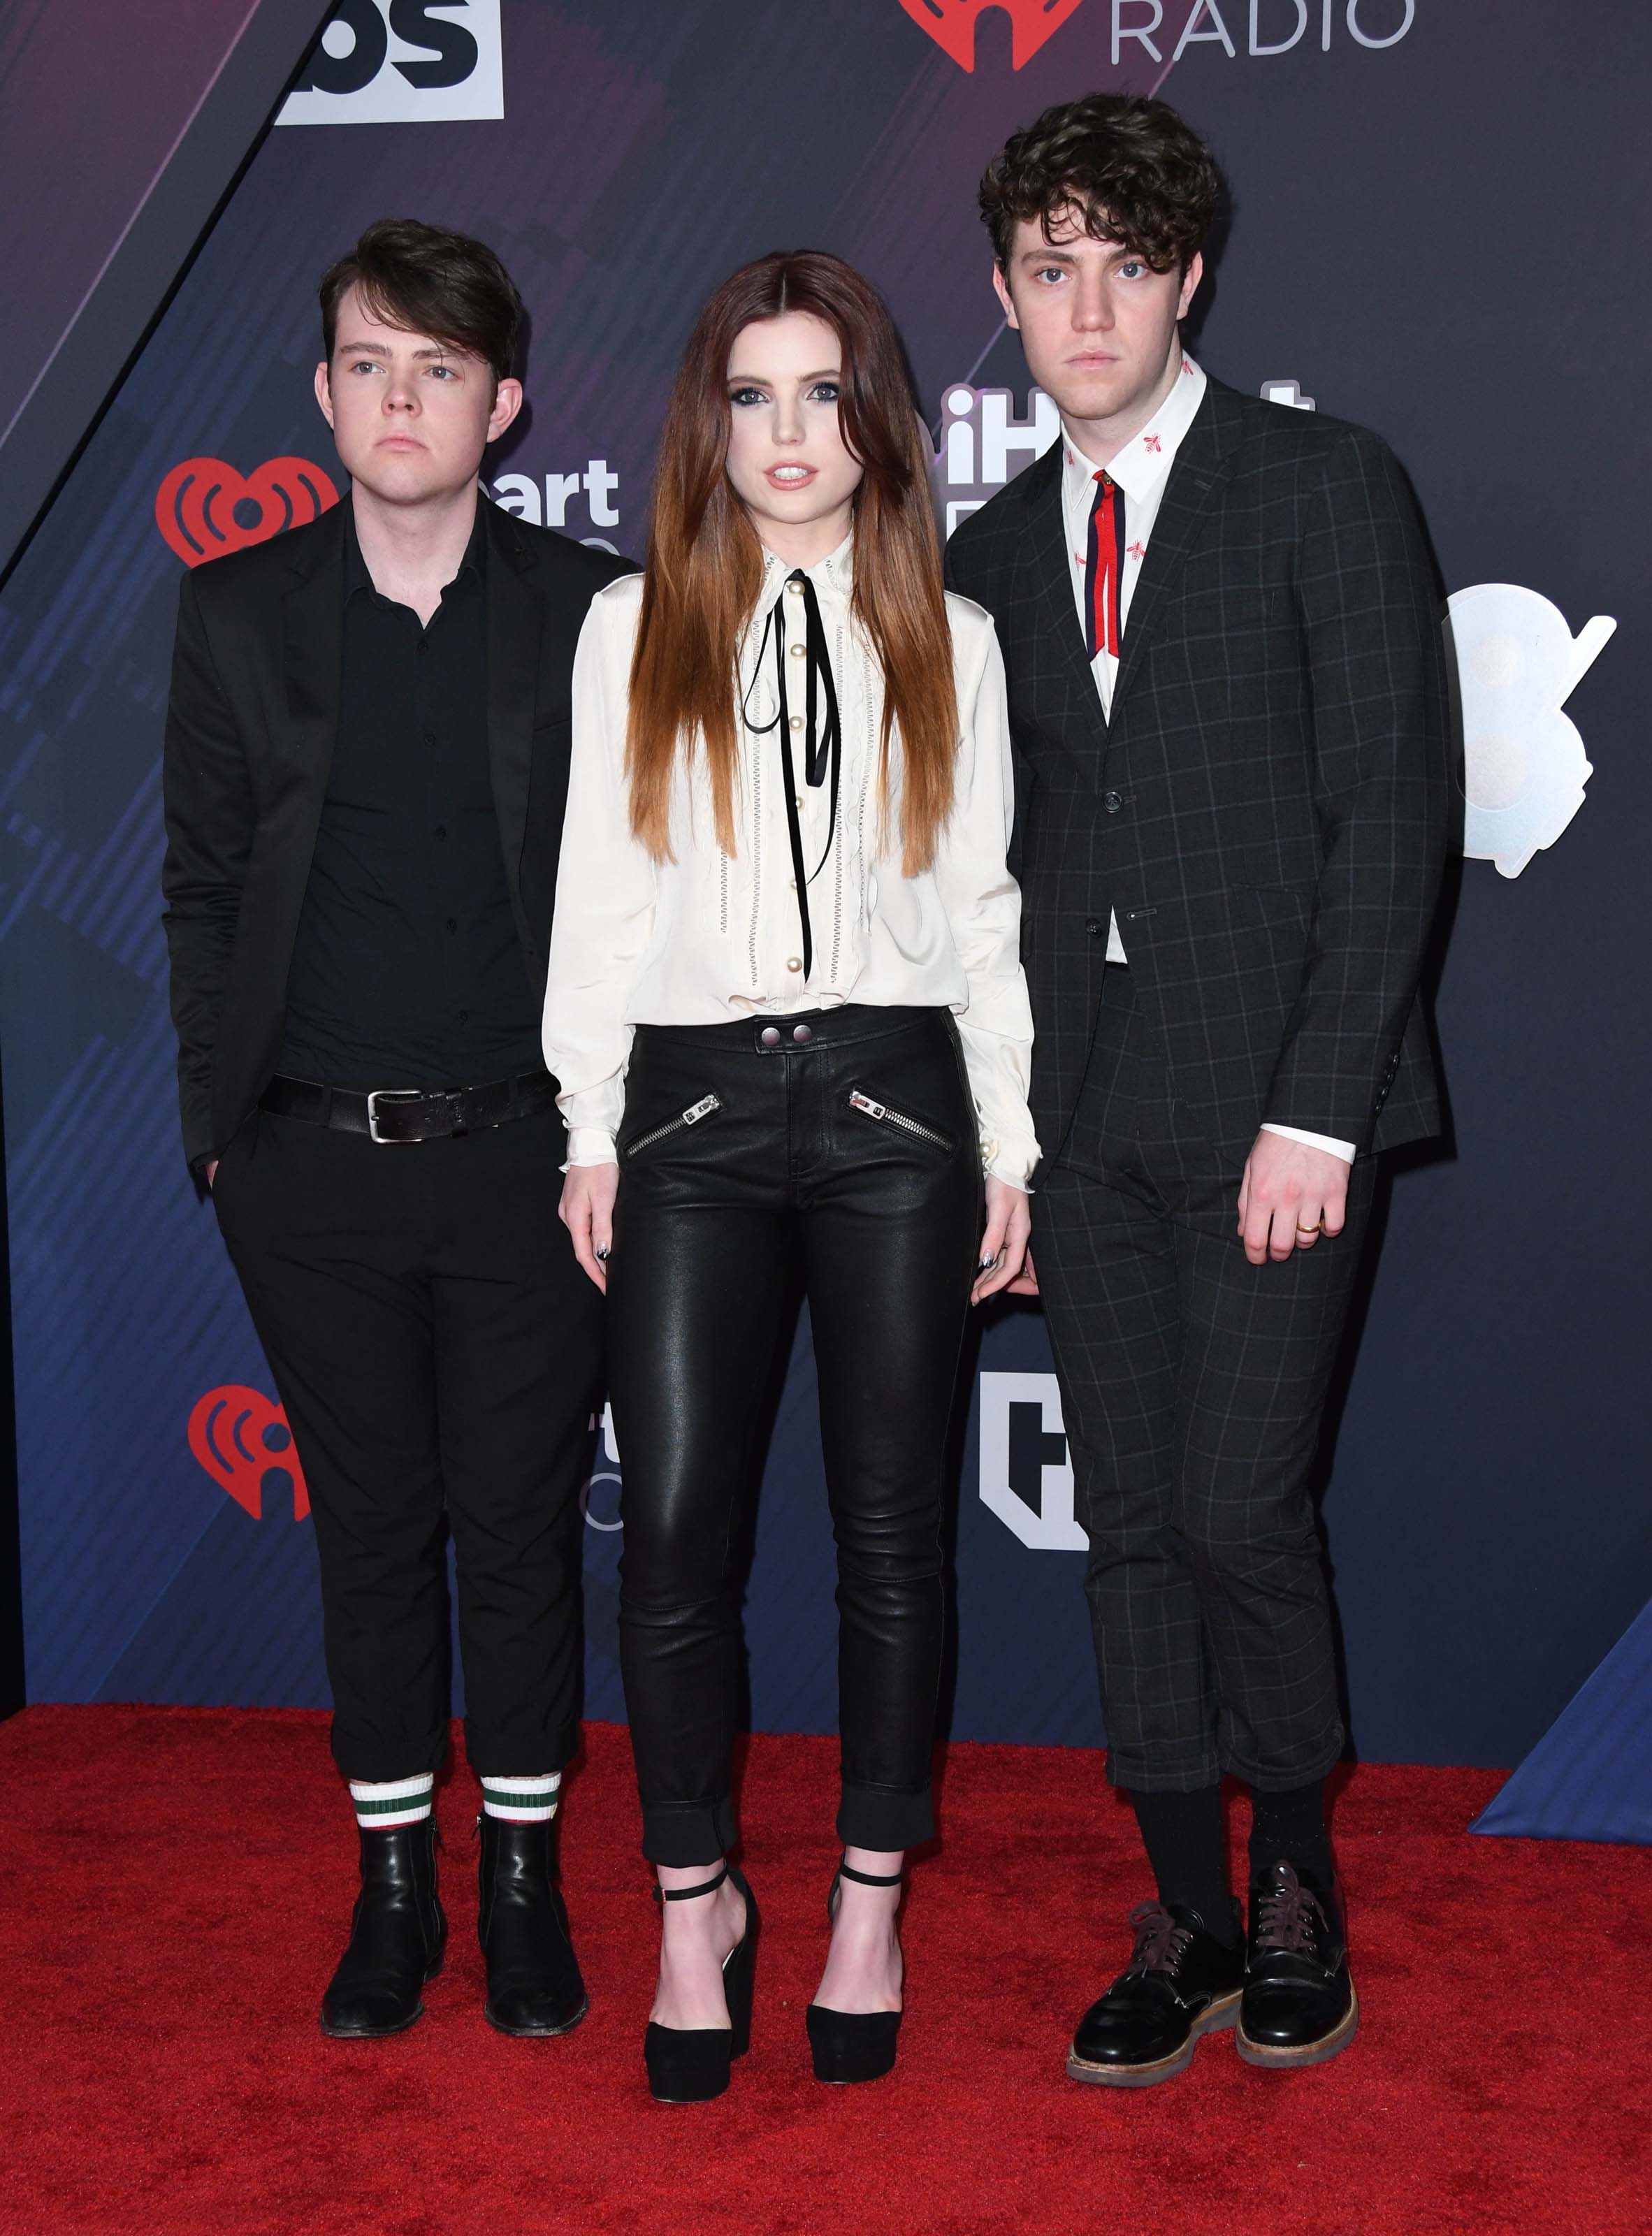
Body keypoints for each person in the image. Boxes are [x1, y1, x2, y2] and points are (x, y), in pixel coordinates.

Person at [945, 95, 1449, 2085]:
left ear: (1187, 280)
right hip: (1080, 1114)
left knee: (1242, 1508)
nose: (1087, 305)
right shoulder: (982, 546)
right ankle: (1180, 1909)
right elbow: (969, 876)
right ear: (1002, 293)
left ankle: (1299, 1881)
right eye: (1049, 270)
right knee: (1133, 1520)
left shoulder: (1321, 483)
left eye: (1123, 265)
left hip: (1273, 1099)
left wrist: (1319, 1110)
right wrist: (995, 1141)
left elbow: (1391, 812)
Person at [543, 250, 1038, 2103]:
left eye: (820, 393)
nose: (784, 433)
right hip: (685, 1110)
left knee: (892, 1532)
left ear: (874, 419)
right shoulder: (633, 626)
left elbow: (981, 913)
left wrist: (1011, 1143)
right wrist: (589, 1119)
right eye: (749, 396)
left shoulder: (955, 639)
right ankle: (692, 1903)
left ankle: (861, 1901)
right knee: (674, 1526)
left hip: (900, 1105)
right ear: (707, 421)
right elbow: (600, 893)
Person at [161, 219, 632, 2040]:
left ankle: (520, 1884)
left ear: (502, 402)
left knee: (516, 1528)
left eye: (438, 367)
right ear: (323, 395)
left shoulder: (595, 609)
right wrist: (221, 1130)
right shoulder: (235, 611)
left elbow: (643, 893)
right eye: (369, 363)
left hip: (527, 1156)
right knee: (368, 1530)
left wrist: (610, 1137)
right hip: (304, 1163)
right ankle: (391, 1893)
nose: (401, 398)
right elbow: (200, 889)